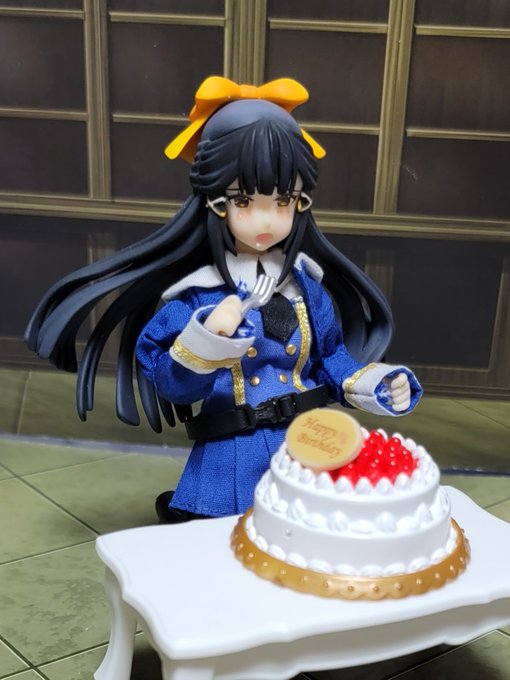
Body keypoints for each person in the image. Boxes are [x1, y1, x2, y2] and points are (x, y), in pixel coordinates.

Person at [26, 77, 422, 523]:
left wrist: (375, 383)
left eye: (284, 200)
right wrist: (208, 338)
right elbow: (171, 382)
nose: (266, 220)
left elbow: (332, 359)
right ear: (216, 203)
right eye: (244, 200)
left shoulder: (306, 288)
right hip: (233, 455)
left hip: (307, 445)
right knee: (228, 544)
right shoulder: (197, 295)